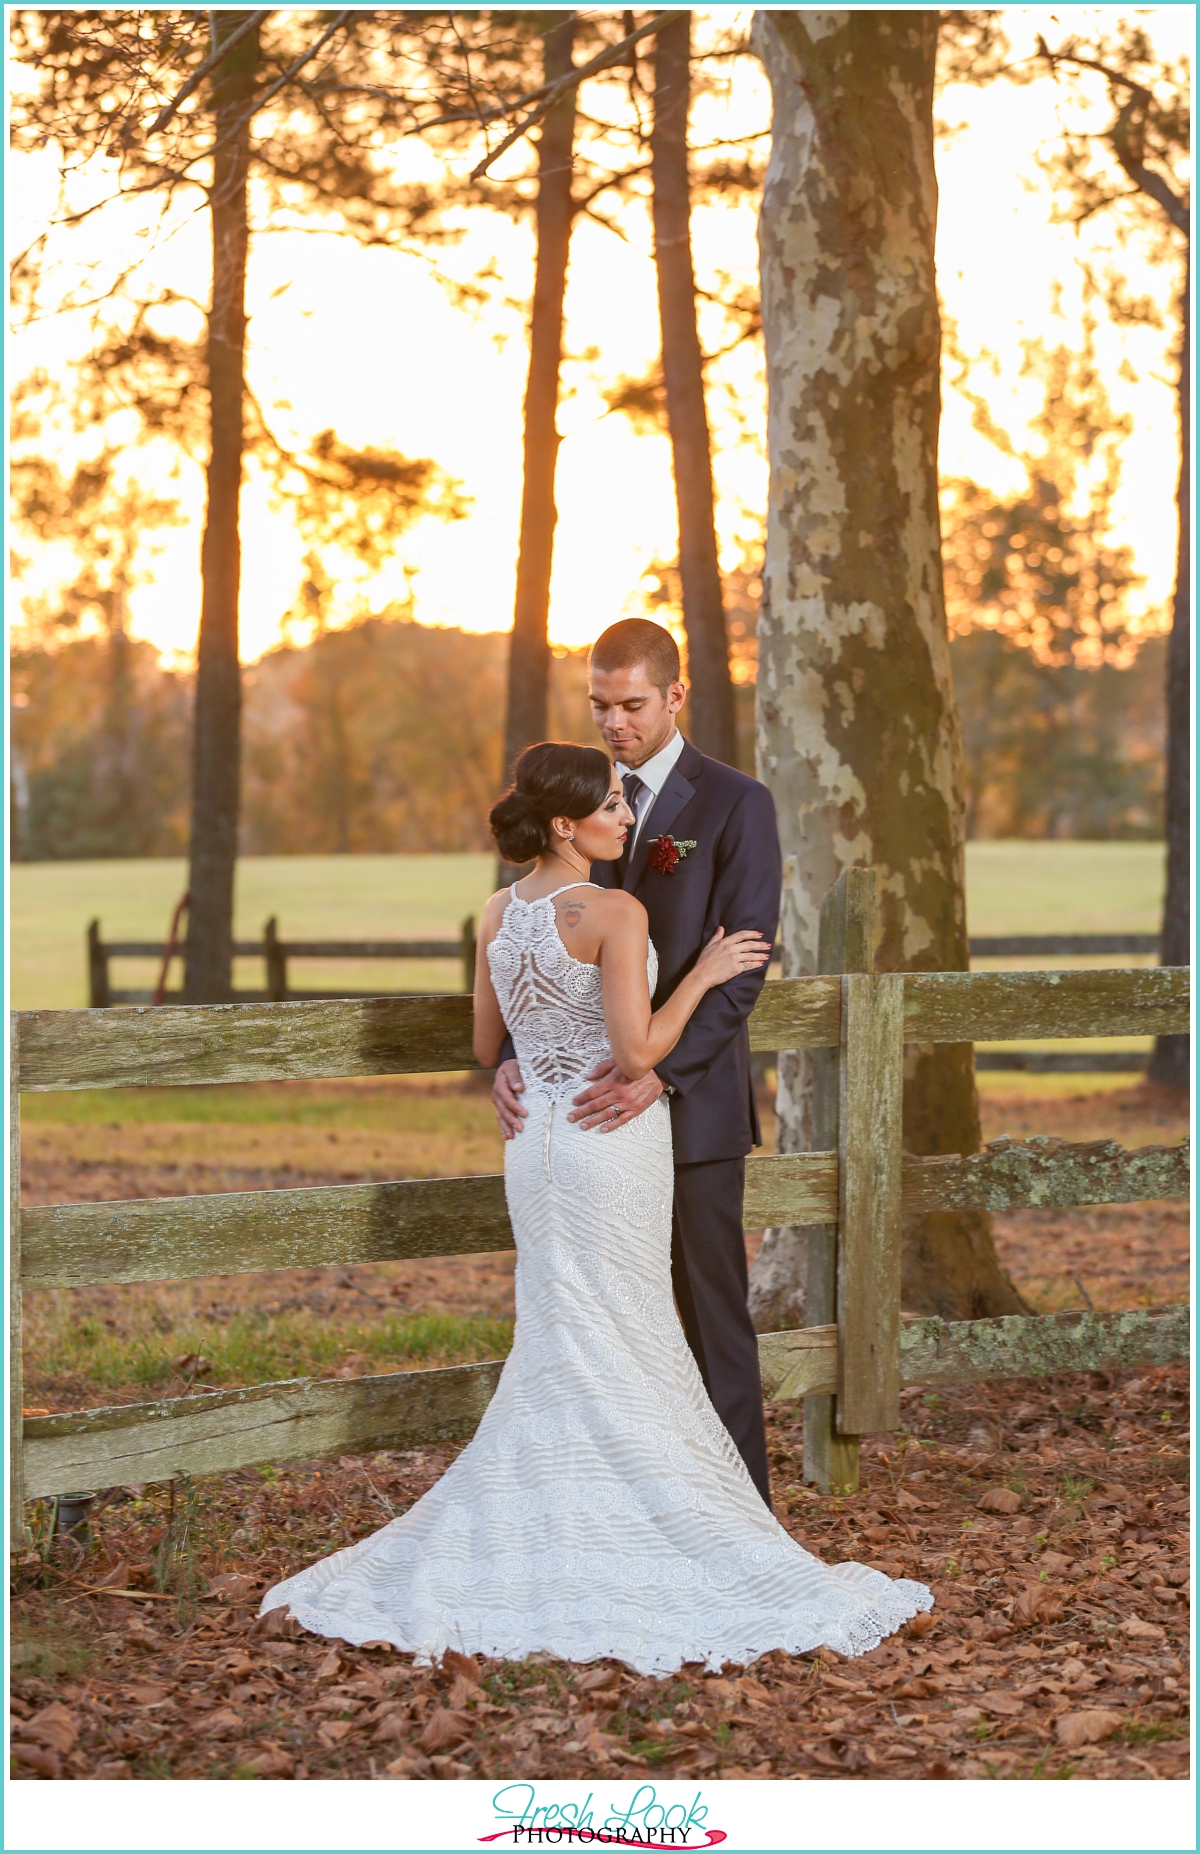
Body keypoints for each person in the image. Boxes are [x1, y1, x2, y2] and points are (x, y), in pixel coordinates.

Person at [259, 741, 932, 1671]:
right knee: (628, 1324)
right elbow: (640, 1052)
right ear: (568, 825)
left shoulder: (498, 910)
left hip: (534, 1141)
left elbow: (485, 1038)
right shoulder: (613, 913)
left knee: (563, 1329)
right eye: (613, 807)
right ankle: (653, 1521)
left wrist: (519, 1065)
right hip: (607, 1141)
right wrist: (699, 973)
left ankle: (559, 1514)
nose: (627, 816)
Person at [493, 619, 779, 1505]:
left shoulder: (736, 803)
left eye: (631, 705)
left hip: (687, 1113)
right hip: (579, 1124)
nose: (613, 723)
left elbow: (741, 967)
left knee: (709, 1319)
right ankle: (622, 1507)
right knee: (599, 1322)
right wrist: (512, 1051)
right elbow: (531, 934)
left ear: (675, 697)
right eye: (599, 705)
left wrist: (663, 1070)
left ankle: (742, 1515)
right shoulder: (570, 794)